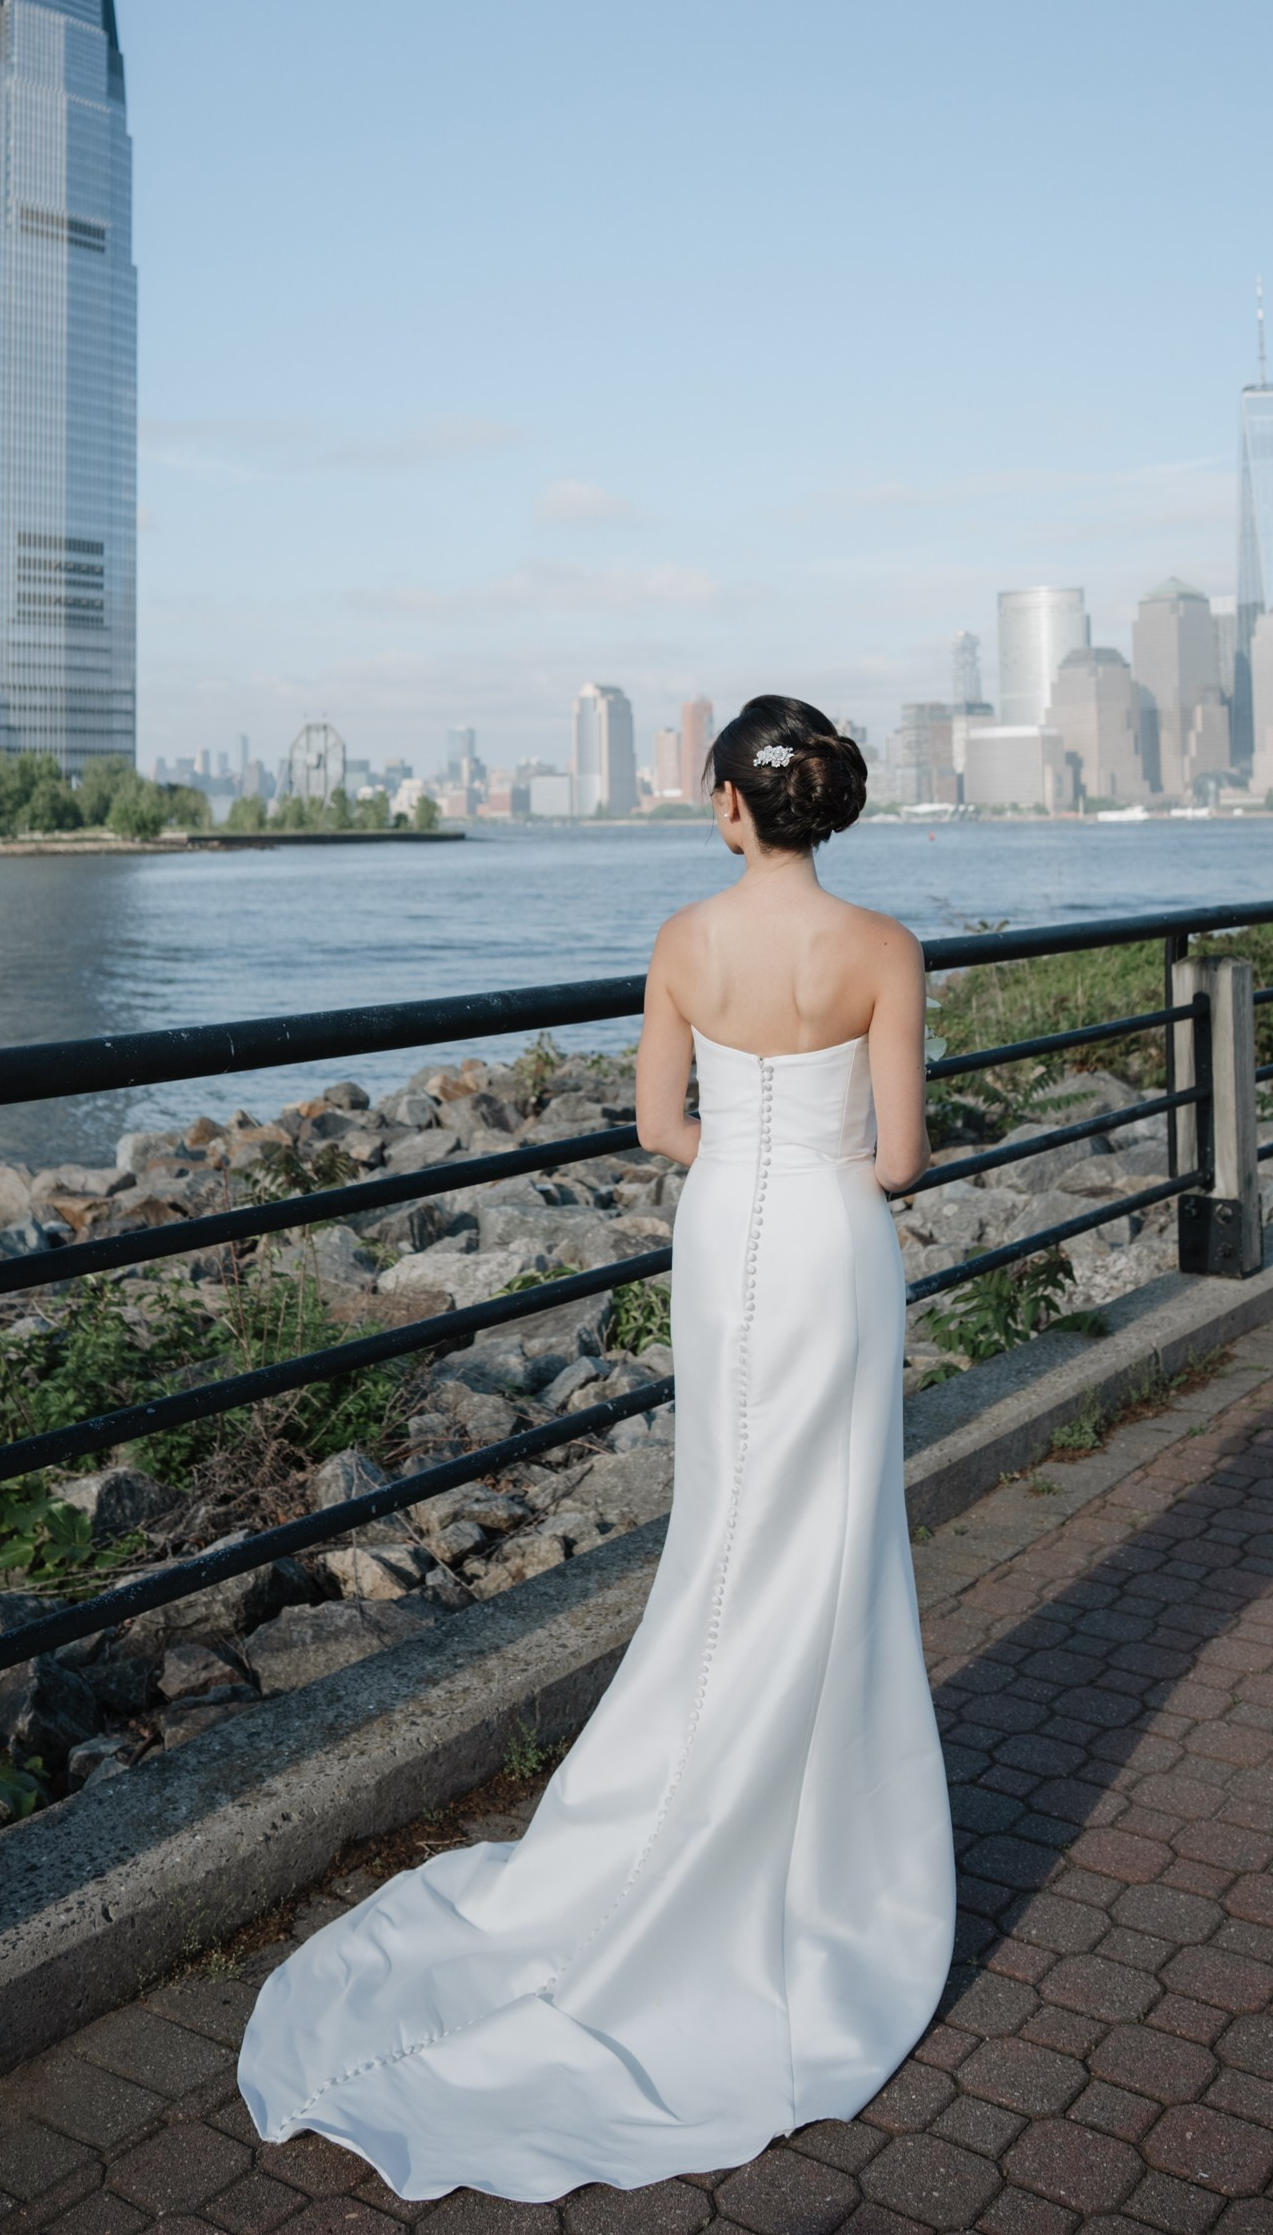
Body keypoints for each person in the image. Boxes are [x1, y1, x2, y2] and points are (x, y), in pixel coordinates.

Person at [238, 692, 956, 2200]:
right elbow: (896, 1161)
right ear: (827, 810)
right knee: (825, 1538)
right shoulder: (883, 949)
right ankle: (809, 1836)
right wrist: (807, 1160)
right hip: (832, 1242)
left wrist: (747, 1153)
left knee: (727, 1525)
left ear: (729, 807)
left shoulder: (684, 943)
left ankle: (691, 1806)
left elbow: (655, 1122)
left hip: (724, 1239)